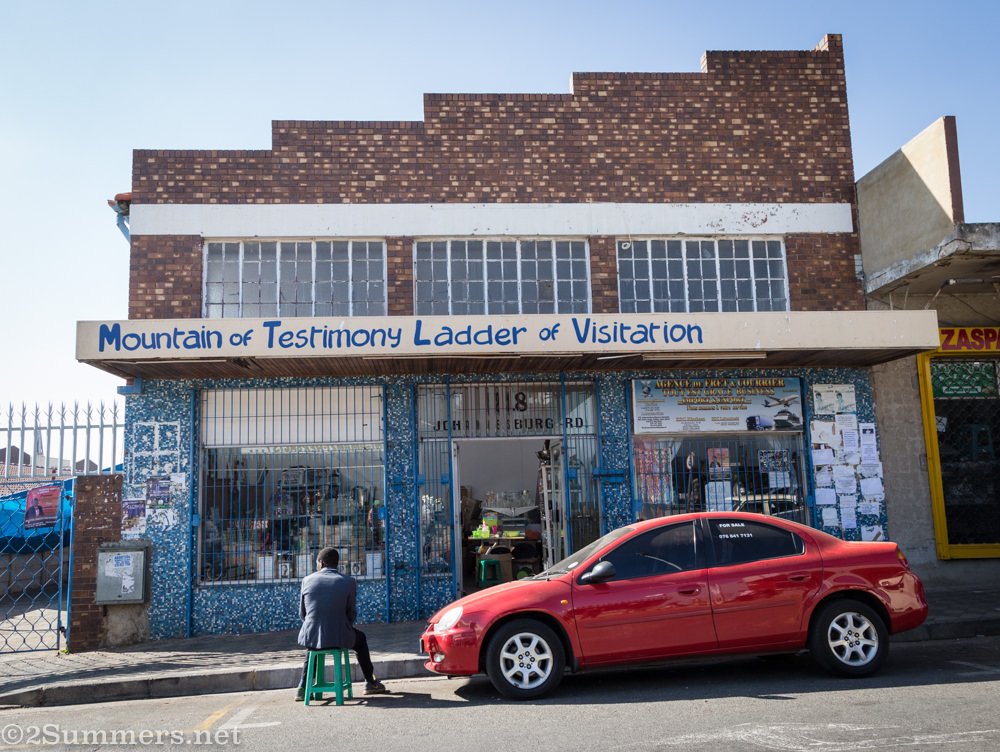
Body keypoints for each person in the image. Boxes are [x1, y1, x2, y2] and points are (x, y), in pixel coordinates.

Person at [295, 547, 387, 701]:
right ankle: (370, 682)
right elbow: (351, 613)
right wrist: (341, 626)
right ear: (336, 564)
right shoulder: (349, 582)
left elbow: (303, 614)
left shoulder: (307, 580)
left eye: (317, 562)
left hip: (312, 635)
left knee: (314, 643)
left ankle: (302, 686)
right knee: (361, 640)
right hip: (340, 635)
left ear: (321, 563)